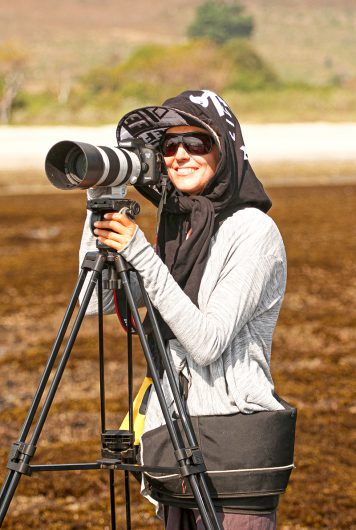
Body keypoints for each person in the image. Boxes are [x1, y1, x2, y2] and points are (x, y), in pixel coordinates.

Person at [79, 90, 287, 529]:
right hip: (175, 443)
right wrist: (101, 199)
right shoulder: (178, 228)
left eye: (196, 143)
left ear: (226, 149)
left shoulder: (253, 231)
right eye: (169, 146)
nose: (180, 155)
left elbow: (207, 342)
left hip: (232, 455)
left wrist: (139, 251)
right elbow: (92, 301)